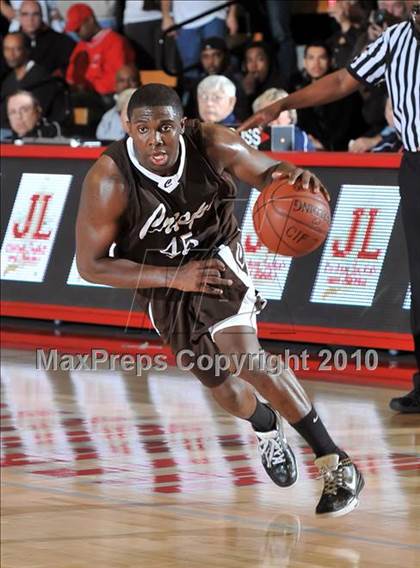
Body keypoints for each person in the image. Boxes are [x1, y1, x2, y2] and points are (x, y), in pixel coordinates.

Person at [75, 83, 364, 517]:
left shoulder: (212, 140)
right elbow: (91, 265)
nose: (156, 139)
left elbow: (268, 173)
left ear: (182, 124)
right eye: (144, 129)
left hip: (216, 256)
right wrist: (176, 277)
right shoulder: (109, 179)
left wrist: (287, 175)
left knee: (245, 357)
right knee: (222, 386)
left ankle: (334, 460)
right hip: (162, 279)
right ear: (127, 128)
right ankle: (267, 426)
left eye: (166, 128)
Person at [238, 3, 420, 414]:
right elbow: (342, 80)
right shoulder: (394, 41)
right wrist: (280, 105)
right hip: (416, 163)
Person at [290, 41, 366, 151]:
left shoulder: (347, 92)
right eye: (311, 58)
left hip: (343, 152)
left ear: (330, 61)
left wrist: (325, 145)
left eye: (322, 58)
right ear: (304, 62)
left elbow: (349, 127)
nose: (316, 63)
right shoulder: (298, 91)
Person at [65, 3, 135, 100]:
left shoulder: (115, 41)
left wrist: (86, 85)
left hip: (105, 97)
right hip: (84, 96)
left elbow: (115, 81)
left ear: (90, 20)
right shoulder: (80, 46)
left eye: (78, 28)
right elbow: (71, 77)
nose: (77, 33)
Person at [0, 31, 69, 126]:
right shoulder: (8, 81)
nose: (11, 54)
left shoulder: (42, 79)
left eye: (16, 49)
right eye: (7, 49)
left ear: (27, 50)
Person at [161, 0, 238, 76]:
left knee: (218, 61)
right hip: (184, 19)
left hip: (215, 13)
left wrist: (232, 14)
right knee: (190, 65)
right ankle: (192, 88)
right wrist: (166, 16)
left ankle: (220, 88)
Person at [183, 36, 249, 122]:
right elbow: (190, 114)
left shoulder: (237, 82)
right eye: (206, 56)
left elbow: (242, 116)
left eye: (216, 55)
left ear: (225, 56)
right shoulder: (197, 84)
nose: (210, 61)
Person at [18, 0, 75, 75]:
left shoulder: (61, 42)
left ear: (41, 16)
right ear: (19, 17)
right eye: (25, 14)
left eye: (35, 14)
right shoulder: (10, 43)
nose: (30, 19)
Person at [96, 63, 140, 142]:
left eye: (132, 80)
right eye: (122, 81)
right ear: (115, 86)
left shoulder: (150, 115)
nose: (126, 85)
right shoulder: (107, 117)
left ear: (140, 84)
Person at [241, 42, 287, 109]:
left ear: (269, 62)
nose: (254, 66)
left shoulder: (280, 87)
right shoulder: (242, 86)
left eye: (260, 59)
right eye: (249, 60)